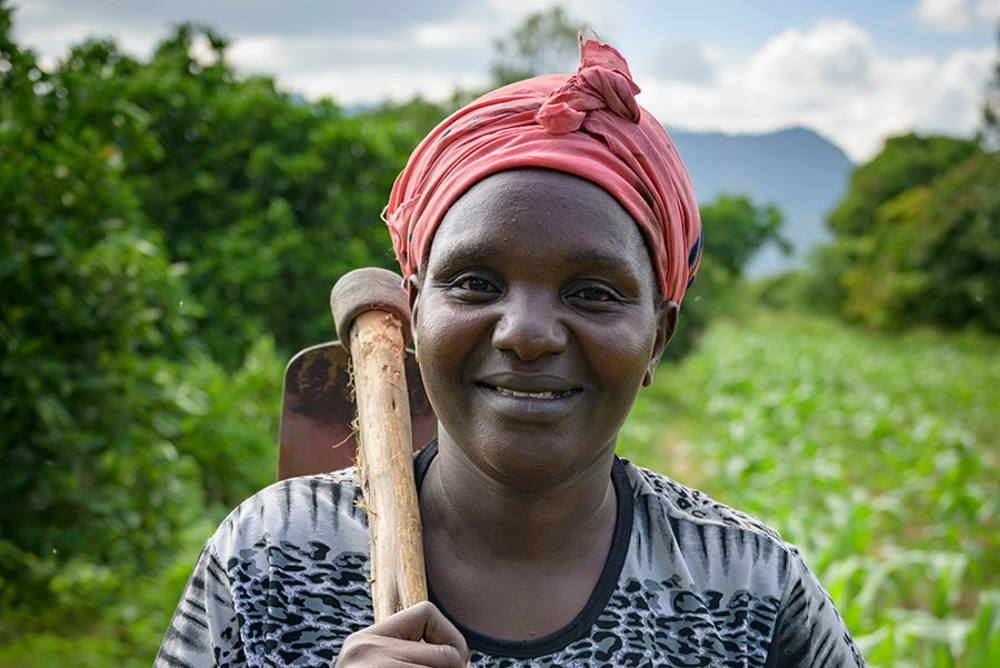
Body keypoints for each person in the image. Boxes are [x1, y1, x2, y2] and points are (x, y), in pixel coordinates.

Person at [156, 35, 865, 667]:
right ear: (415, 313)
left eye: (593, 293)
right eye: (475, 283)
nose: (526, 333)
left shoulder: (750, 592)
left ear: (658, 338)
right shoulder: (271, 556)